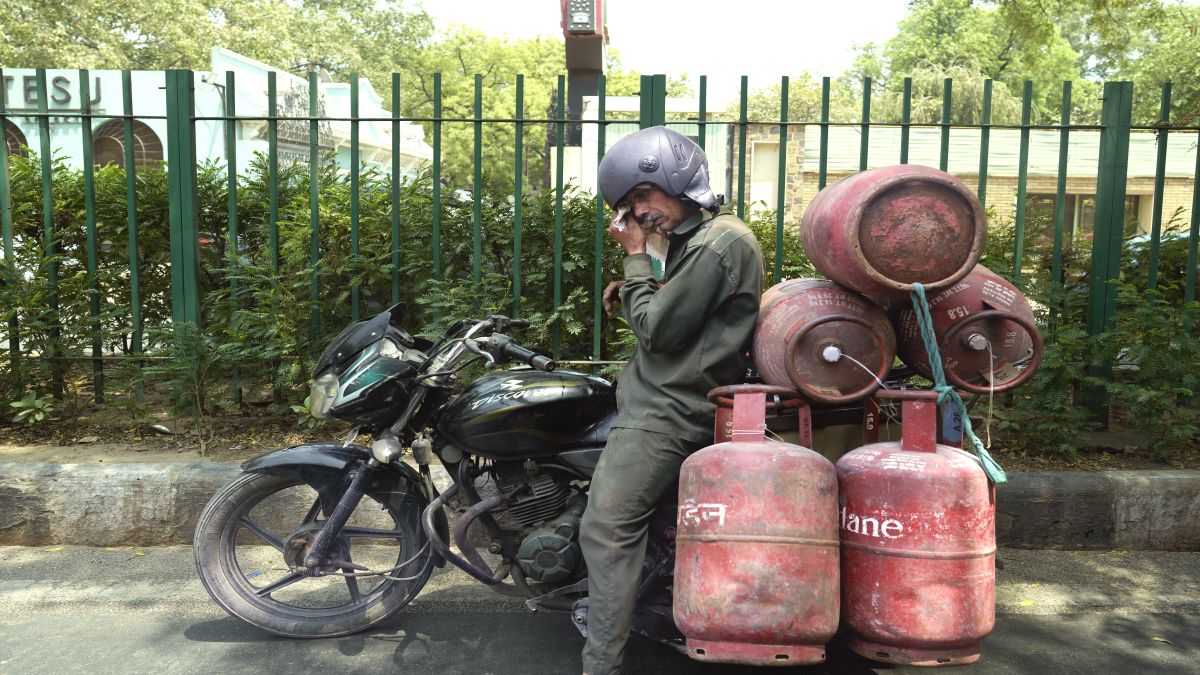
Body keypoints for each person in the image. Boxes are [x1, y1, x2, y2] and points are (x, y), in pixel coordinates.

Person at [579, 125, 764, 674]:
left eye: (642, 197)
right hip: (657, 396)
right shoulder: (698, 242)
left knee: (606, 528)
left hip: (670, 409)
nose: (637, 214)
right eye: (627, 205)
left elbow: (658, 332)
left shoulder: (721, 242)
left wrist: (634, 261)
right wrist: (642, 278)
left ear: (680, 182)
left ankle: (601, 666)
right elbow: (683, 308)